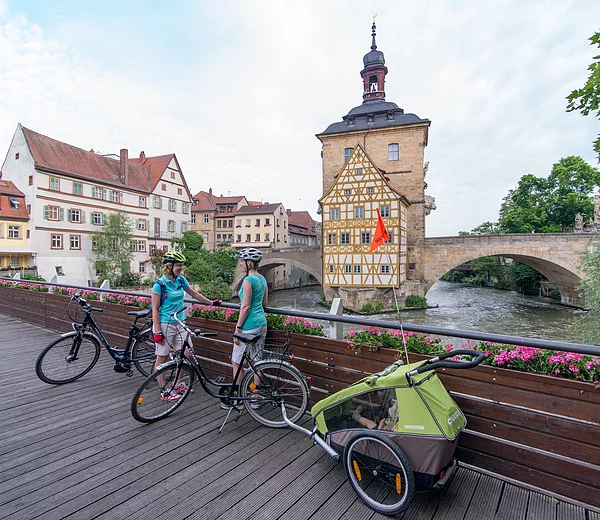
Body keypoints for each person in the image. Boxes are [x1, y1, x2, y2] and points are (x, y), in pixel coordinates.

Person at [152, 251, 220, 401]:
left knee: (187, 354)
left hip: (180, 322)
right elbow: (155, 309)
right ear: (169, 266)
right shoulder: (159, 285)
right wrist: (157, 331)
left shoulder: (181, 281)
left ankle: (177, 383)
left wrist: (211, 303)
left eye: (182, 265)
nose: (181, 268)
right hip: (165, 324)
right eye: (178, 265)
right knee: (162, 357)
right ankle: (164, 391)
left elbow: (194, 294)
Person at [225, 248, 268, 409]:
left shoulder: (248, 280)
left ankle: (240, 396)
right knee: (257, 361)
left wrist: (238, 328)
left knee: (236, 361)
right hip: (261, 324)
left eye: (242, 262)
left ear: (249, 263)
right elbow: (265, 304)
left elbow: (246, 306)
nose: (240, 265)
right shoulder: (262, 279)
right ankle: (255, 397)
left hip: (248, 326)